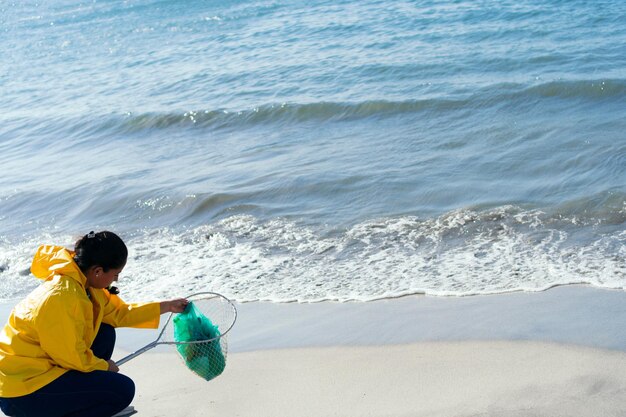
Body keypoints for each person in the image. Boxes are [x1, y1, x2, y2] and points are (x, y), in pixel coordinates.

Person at [0, 231, 189, 417]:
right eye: (115, 275)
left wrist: (167, 306)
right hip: (21, 390)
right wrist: (104, 366)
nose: (116, 280)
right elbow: (71, 357)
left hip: (45, 368)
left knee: (105, 332)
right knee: (122, 390)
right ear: (98, 271)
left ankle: (83, 404)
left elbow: (118, 313)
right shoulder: (61, 297)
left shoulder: (85, 283)